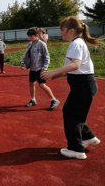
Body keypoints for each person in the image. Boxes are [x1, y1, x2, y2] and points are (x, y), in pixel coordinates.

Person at [41, 16, 101, 159]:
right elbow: (77, 68)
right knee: (75, 114)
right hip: (84, 84)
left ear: (71, 30)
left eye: (62, 30)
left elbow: (76, 65)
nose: (61, 33)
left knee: (70, 114)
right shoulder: (78, 42)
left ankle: (76, 149)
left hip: (83, 85)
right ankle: (89, 138)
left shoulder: (76, 43)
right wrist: (59, 75)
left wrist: (54, 71)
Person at [21, 27, 60, 110]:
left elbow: (47, 57)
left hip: (40, 68)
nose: (29, 38)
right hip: (32, 68)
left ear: (35, 36)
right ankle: (33, 100)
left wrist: (44, 68)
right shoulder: (30, 44)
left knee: (42, 84)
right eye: (28, 36)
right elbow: (27, 55)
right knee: (31, 84)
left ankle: (54, 100)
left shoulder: (42, 44)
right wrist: (23, 63)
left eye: (30, 36)